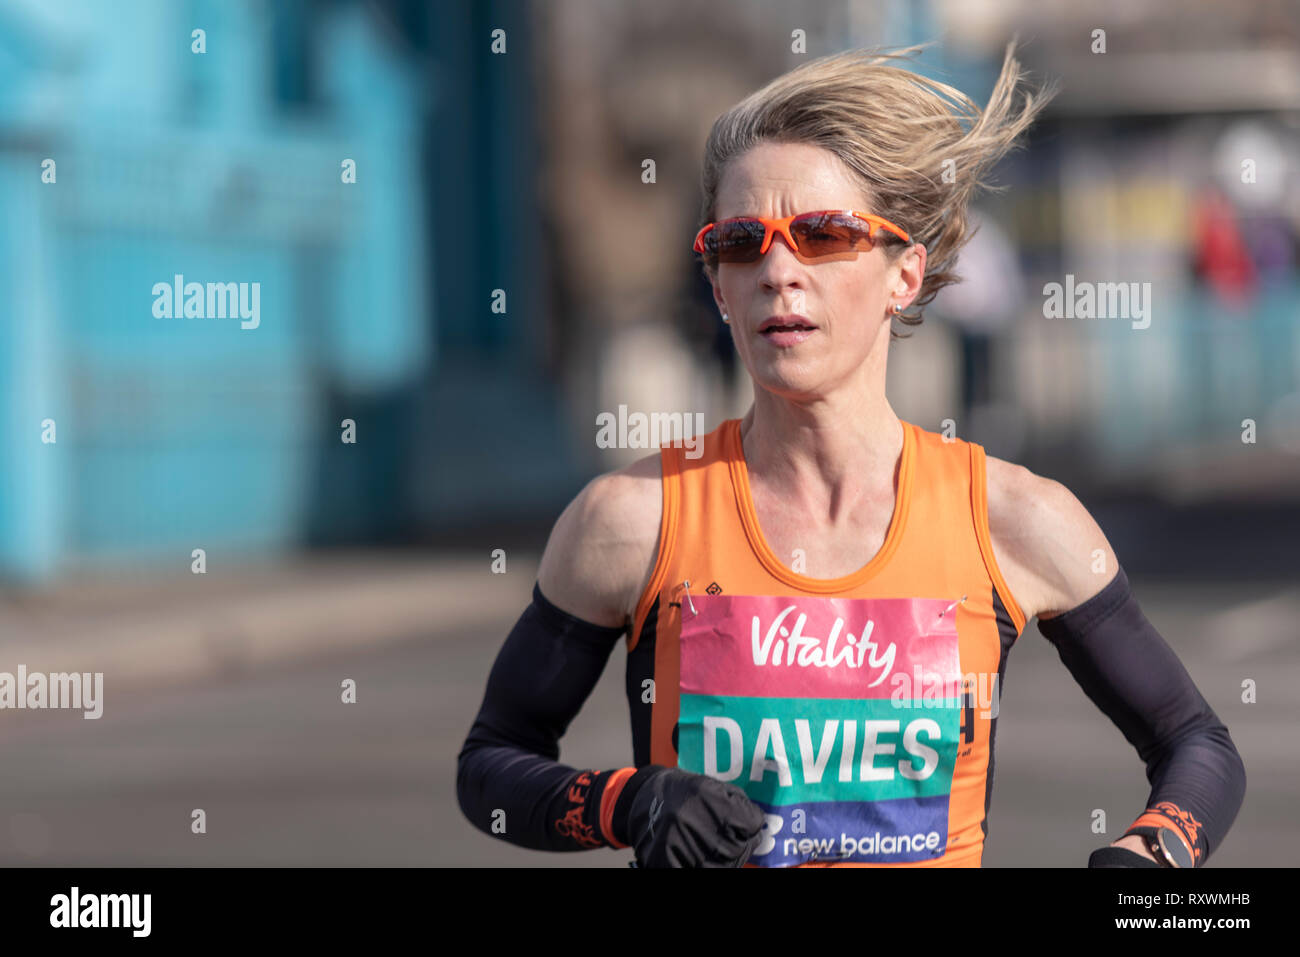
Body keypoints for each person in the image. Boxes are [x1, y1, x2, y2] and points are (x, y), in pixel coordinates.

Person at [457, 43, 1246, 868]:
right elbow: (492, 762)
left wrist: (1151, 858)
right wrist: (632, 801)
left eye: (823, 235)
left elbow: (1196, 743)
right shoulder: (633, 518)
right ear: (718, 287)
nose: (778, 272)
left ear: (904, 274)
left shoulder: (1014, 519)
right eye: (741, 242)